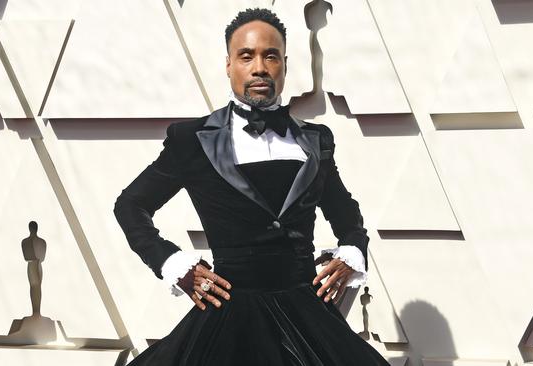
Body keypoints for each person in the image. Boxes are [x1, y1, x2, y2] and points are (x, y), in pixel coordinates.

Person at [113, 8, 390, 365]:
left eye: (270, 56)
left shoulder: (316, 139)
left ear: (285, 65)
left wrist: (352, 250)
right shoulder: (192, 140)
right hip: (227, 315)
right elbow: (131, 205)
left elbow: (345, 212)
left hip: (308, 313)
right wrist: (174, 264)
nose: (259, 67)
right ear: (229, 65)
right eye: (246, 56)